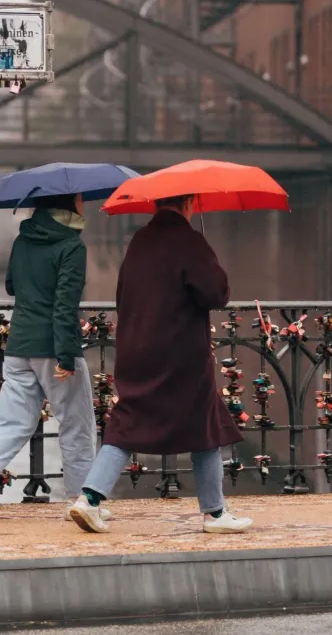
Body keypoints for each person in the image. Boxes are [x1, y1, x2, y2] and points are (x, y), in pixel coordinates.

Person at [68, 194, 252, 534]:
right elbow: (215, 294)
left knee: (127, 423)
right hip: (180, 353)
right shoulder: (190, 241)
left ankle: (89, 500)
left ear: (155, 205)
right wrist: (210, 261)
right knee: (204, 424)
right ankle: (214, 514)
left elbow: (123, 294)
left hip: (136, 347)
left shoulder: (140, 240)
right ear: (189, 203)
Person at [0, 193, 109, 523]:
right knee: (76, 424)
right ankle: (81, 499)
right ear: (69, 204)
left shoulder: (22, 240)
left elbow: (11, 286)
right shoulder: (72, 245)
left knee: (12, 419)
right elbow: (65, 305)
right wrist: (67, 355)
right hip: (53, 347)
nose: (84, 204)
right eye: (81, 199)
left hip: (19, 343)